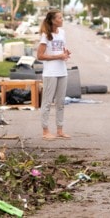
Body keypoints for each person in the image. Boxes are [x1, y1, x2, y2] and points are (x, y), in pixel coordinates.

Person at [36, 9, 71, 140]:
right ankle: (45, 131)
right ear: (52, 20)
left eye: (62, 17)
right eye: (59, 18)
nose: (62, 20)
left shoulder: (62, 32)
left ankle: (60, 130)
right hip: (50, 73)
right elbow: (40, 56)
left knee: (60, 102)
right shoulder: (46, 35)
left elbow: (62, 50)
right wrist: (58, 56)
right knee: (47, 102)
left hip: (62, 71)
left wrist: (65, 54)